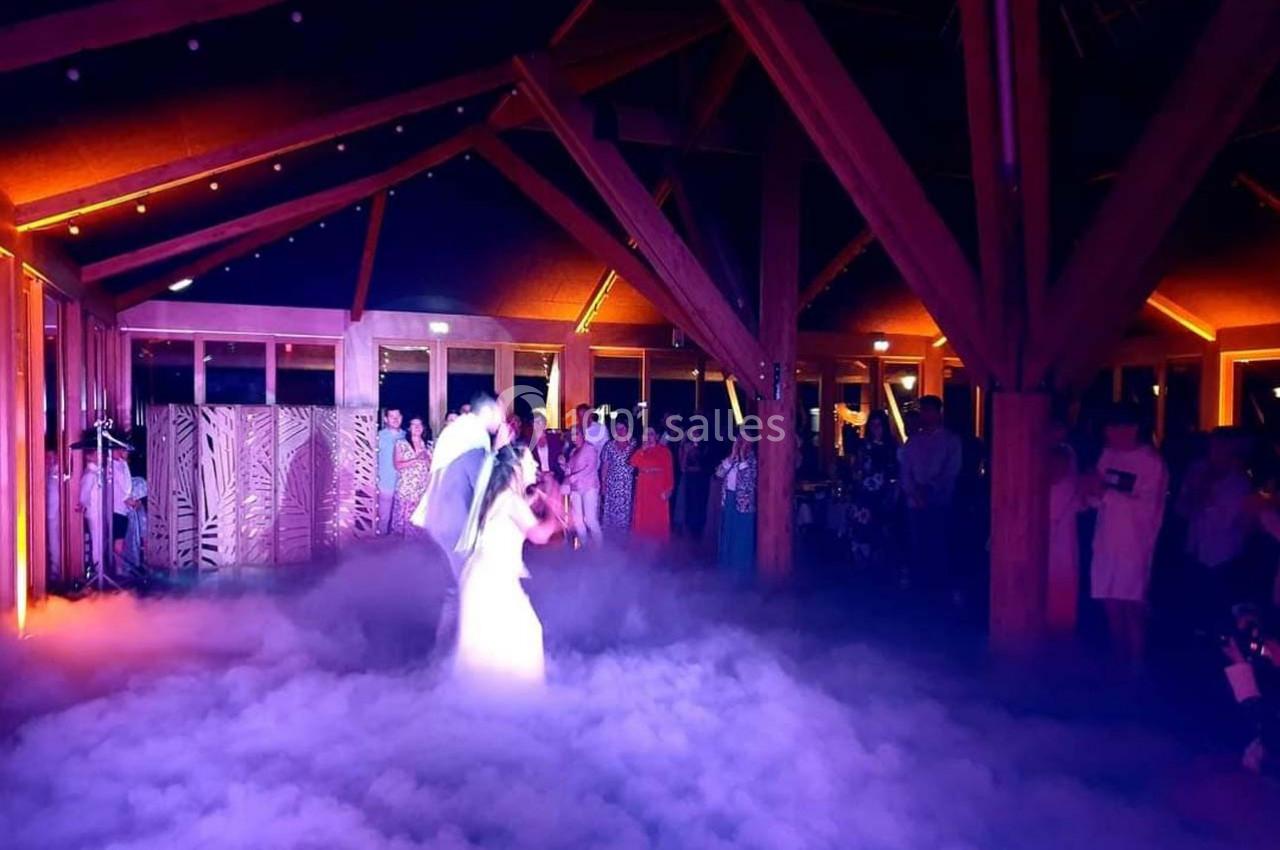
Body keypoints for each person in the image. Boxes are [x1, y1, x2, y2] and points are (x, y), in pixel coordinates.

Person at [454, 445, 566, 687]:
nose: (535, 465)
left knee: (494, 646)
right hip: (493, 580)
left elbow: (518, 510)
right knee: (524, 635)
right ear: (516, 467)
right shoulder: (511, 500)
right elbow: (539, 535)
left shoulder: (501, 495)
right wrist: (555, 511)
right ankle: (515, 704)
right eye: (530, 461)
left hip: (482, 576)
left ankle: (492, 705)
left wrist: (537, 497)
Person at [410, 395, 508, 656]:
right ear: (487, 413)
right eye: (499, 413)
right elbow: (485, 486)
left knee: (456, 589)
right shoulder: (474, 438)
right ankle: (463, 655)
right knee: (472, 586)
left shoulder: (455, 432)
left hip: (439, 519)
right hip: (455, 523)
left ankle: (443, 650)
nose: (502, 419)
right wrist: (501, 450)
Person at [1084, 405, 1168, 670]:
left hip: (1134, 543)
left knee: (1131, 603)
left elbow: (1147, 507)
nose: (1111, 434)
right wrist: (1092, 493)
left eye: (1116, 427)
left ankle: (1136, 663)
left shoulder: (1151, 463)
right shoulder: (1107, 455)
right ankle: (1117, 657)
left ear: (1132, 429)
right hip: (1106, 539)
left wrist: (1107, 493)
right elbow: (1096, 497)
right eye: (1107, 428)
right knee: (1109, 600)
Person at [1176, 428, 1255, 622]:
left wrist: (1207, 490)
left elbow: (1226, 521)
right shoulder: (1197, 471)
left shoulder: (1239, 484)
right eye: (1213, 447)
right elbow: (1181, 509)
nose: (1215, 452)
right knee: (1193, 615)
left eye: (1222, 447)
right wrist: (1195, 490)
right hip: (1194, 553)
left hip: (1224, 559)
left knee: (1219, 616)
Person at [897, 395, 962, 592]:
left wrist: (932, 487)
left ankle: (938, 586)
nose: (926, 416)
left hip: (939, 501)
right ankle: (920, 585)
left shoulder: (950, 441)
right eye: (924, 411)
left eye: (930, 411)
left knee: (938, 543)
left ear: (938, 413)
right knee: (918, 544)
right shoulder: (913, 442)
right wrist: (914, 492)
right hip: (915, 503)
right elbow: (905, 471)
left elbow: (952, 469)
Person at [848, 410, 898, 573]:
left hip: (884, 496)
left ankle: (880, 569)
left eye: (879, 425)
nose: (876, 428)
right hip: (864, 496)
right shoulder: (863, 446)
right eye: (873, 424)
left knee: (882, 532)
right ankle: (863, 567)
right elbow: (856, 470)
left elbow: (895, 471)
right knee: (862, 531)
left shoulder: (891, 447)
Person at [1048, 443, 1085, 635]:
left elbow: (1085, 502)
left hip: (1064, 545)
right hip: (1041, 548)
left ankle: (1063, 628)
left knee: (1063, 587)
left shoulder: (1072, 487)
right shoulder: (1035, 490)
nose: (1056, 467)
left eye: (1060, 464)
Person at [716, 435, 757, 578]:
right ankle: (726, 566)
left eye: (745, 440)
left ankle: (741, 569)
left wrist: (742, 458)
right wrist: (733, 455)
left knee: (742, 535)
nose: (741, 443)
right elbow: (719, 473)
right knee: (728, 533)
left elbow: (748, 479)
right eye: (739, 440)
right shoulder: (732, 458)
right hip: (729, 499)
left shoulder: (752, 459)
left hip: (743, 503)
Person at [631, 426, 675, 541]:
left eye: (651, 434)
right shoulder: (642, 450)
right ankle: (642, 542)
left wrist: (669, 488)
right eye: (646, 434)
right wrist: (641, 450)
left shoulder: (665, 451)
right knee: (643, 514)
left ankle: (659, 544)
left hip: (658, 486)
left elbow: (669, 470)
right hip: (644, 485)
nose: (649, 437)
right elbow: (633, 462)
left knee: (657, 515)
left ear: (656, 436)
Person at [391, 417, 432, 536]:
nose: (417, 427)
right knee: (404, 522)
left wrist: (428, 458)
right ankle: (402, 548)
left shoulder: (429, 445)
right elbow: (397, 465)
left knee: (419, 521)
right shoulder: (401, 444)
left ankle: (417, 548)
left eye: (420, 425)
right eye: (414, 425)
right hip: (406, 489)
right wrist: (416, 459)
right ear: (409, 428)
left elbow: (431, 468)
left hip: (422, 489)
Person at [564, 426, 602, 547]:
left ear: (583, 435)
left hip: (589, 486)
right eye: (573, 435)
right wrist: (563, 465)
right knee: (577, 521)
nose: (574, 437)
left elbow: (591, 467)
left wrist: (574, 477)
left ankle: (599, 548)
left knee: (590, 519)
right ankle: (585, 547)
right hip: (575, 489)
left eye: (577, 434)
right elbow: (568, 471)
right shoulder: (573, 452)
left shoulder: (590, 448)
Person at [600, 417, 636, 537]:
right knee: (612, 512)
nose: (620, 431)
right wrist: (603, 484)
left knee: (627, 512)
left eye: (623, 428)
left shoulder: (634, 444)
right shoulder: (609, 446)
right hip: (612, 484)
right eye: (617, 429)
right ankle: (611, 540)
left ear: (628, 430)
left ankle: (625, 540)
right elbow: (605, 466)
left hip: (628, 485)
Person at [675, 431, 710, 537]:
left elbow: (704, 466)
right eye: (693, 433)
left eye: (697, 433)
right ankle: (685, 528)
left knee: (699, 504)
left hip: (701, 480)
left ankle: (697, 530)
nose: (695, 435)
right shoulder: (685, 447)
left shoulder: (705, 447)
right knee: (686, 501)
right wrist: (686, 452)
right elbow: (682, 466)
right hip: (688, 478)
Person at [376, 408, 405, 535]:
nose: (395, 419)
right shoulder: (378, 436)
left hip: (404, 485)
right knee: (384, 519)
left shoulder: (406, 435)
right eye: (391, 416)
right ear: (385, 419)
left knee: (401, 520)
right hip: (384, 484)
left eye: (398, 416)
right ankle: (380, 550)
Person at [528, 411, 564, 487]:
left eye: (539, 422)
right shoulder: (529, 443)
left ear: (545, 425)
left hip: (554, 476)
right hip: (538, 479)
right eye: (535, 423)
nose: (537, 425)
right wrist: (540, 474)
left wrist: (553, 472)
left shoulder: (554, 439)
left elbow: (559, 457)